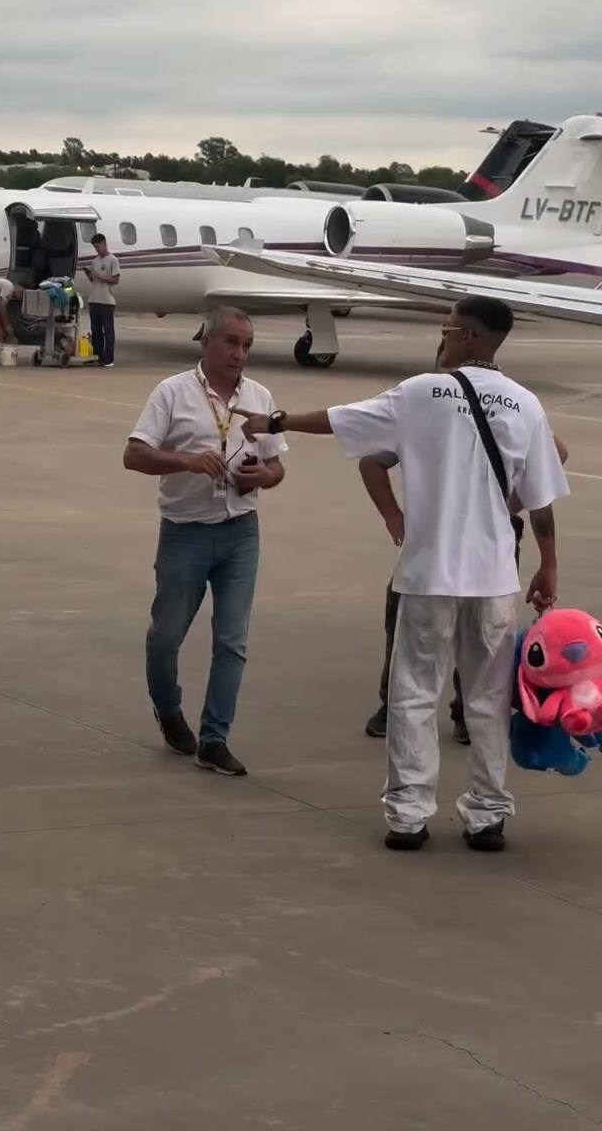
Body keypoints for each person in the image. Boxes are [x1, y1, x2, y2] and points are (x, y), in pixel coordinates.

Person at [236, 296, 569, 852]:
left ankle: (409, 815)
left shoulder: (420, 394)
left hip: (428, 574)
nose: (441, 339)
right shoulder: (525, 404)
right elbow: (541, 504)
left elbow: (339, 419)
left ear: (467, 336)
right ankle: (487, 817)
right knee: (489, 700)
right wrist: (549, 567)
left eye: (446, 329)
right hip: (492, 580)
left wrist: (275, 420)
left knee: (414, 694)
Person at [123, 306, 286, 776]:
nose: (240, 354)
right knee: (166, 636)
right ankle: (168, 709)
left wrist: (263, 475)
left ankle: (215, 737)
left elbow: (277, 465)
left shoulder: (259, 395)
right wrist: (185, 462)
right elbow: (134, 455)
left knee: (232, 639)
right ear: (207, 342)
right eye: (232, 343)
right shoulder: (172, 393)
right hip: (186, 533)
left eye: (247, 345)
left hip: (240, 534)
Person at [360, 439, 568, 746]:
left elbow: (371, 461)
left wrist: (395, 516)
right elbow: (553, 460)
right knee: (466, 626)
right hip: (465, 535)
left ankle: (410, 708)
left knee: (429, 619)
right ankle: (452, 711)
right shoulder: (503, 406)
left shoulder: (455, 403)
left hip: (456, 534)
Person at [88, 233, 120, 367]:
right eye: (95, 248)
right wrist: (90, 275)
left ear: (104, 244)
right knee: (95, 330)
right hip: (94, 299)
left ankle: (109, 359)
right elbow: (93, 280)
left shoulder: (113, 260)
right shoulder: (95, 261)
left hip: (107, 300)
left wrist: (99, 276)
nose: (97, 250)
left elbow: (115, 280)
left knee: (108, 331)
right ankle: (98, 355)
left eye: (98, 247)